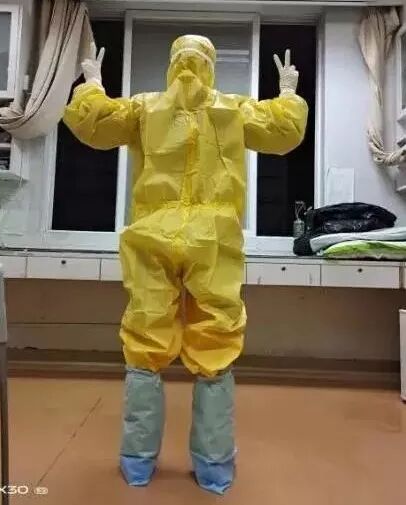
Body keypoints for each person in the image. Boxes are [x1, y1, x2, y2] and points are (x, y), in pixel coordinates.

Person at [63, 34, 307, 495]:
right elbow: (284, 132)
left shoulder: (145, 107)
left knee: (145, 341)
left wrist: (92, 83)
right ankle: (213, 465)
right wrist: (289, 92)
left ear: (171, 64)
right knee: (216, 345)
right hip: (213, 241)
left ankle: (138, 462)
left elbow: (92, 124)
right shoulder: (232, 108)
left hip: (152, 236)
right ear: (212, 66)